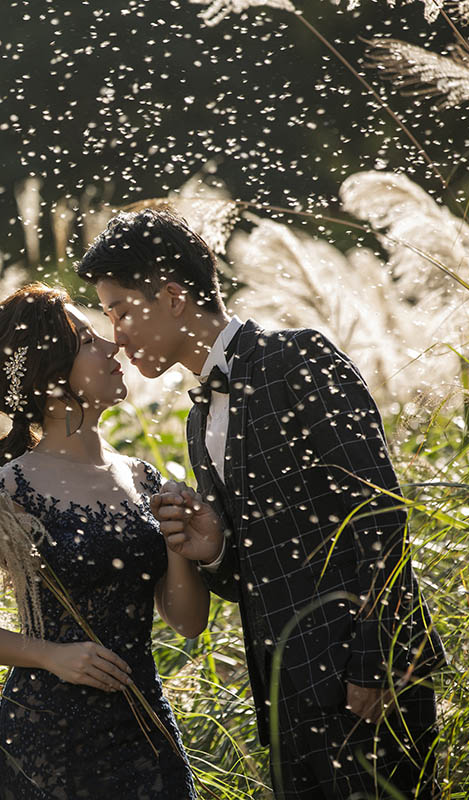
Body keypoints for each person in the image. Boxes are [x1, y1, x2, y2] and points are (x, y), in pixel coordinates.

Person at [78, 207, 447, 800]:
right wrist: (216, 547)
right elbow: (262, 566)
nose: (115, 335)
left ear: (173, 297)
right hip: (287, 695)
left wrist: (376, 663)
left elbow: (379, 514)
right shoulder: (200, 418)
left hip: (368, 679)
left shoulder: (297, 358)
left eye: (120, 310)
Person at [0, 282, 215, 798]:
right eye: (87, 341)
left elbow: (187, 622)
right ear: (51, 376)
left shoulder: (143, 478)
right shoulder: (10, 489)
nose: (113, 347)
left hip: (145, 723)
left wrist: (177, 544)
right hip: (50, 735)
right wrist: (48, 655)